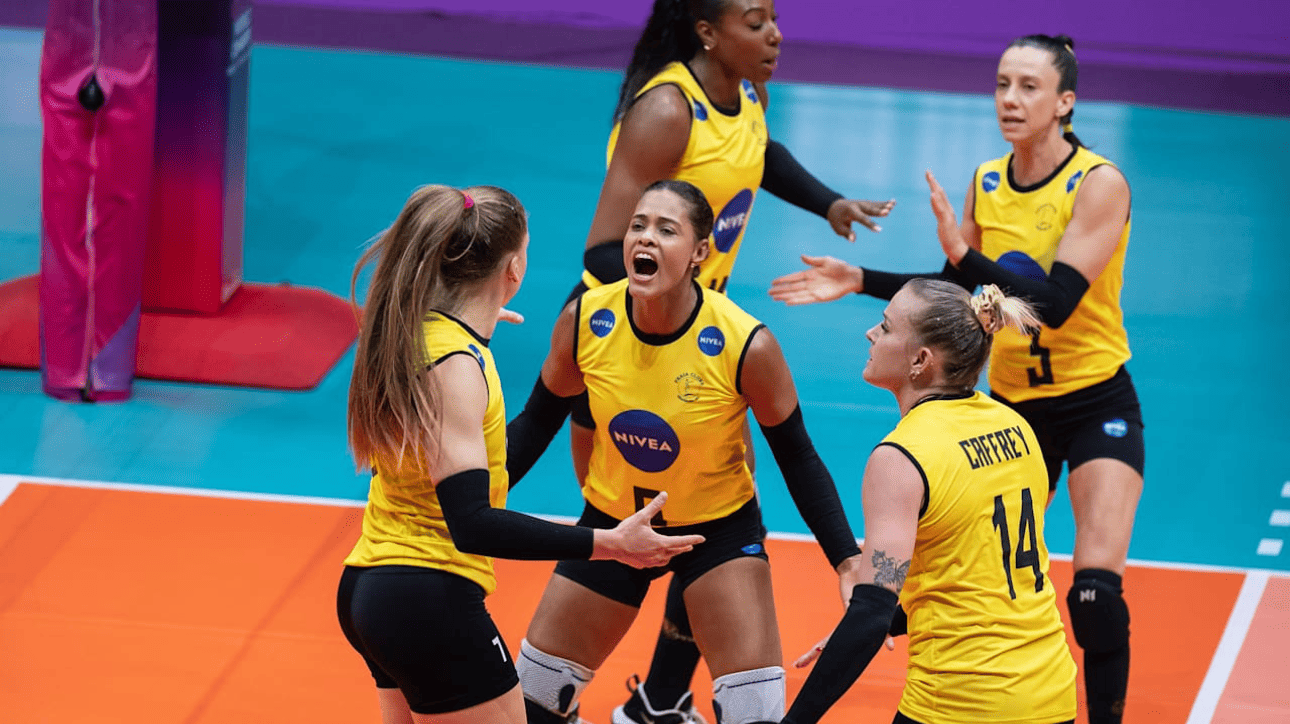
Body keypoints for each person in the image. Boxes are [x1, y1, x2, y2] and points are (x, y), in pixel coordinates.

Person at [529, 2, 896, 720]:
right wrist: (665, 282)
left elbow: (759, 151)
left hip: (701, 340)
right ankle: (640, 691)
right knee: (642, 510)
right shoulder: (667, 110)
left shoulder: (745, 95)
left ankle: (660, 700)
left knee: (712, 509)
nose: (775, 35)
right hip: (621, 352)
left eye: (774, 19)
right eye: (755, 22)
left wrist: (828, 204)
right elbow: (604, 250)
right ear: (707, 33)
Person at [769, 34, 1142, 724]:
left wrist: (964, 254)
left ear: (1066, 102)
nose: (1009, 98)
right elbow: (955, 297)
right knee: (972, 553)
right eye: (1002, 82)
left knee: (1093, 596)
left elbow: (1050, 308)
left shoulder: (1099, 183)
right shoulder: (988, 181)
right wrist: (860, 280)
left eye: (1029, 86)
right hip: (1012, 404)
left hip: (1092, 399)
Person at [336, 184, 704, 724]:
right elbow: (473, 523)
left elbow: (495, 454)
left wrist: (497, 337)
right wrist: (610, 544)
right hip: (427, 597)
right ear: (513, 269)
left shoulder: (417, 333)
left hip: (373, 590)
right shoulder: (456, 365)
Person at [505, 180, 863, 724]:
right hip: (614, 526)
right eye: (638, 225)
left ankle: (659, 702)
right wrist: (463, 502)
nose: (645, 238)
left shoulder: (746, 344)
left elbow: (799, 458)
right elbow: (533, 426)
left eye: (666, 230)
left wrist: (847, 558)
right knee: (530, 703)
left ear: (700, 252)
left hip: (716, 533)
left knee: (755, 715)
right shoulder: (585, 320)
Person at [779, 280, 1077, 724]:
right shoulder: (1015, 426)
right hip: (1051, 693)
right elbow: (977, 572)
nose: (870, 334)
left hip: (962, 701)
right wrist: (879, 623)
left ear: (920, 361)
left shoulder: (901, 458)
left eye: (885, 326)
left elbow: (871, 610)